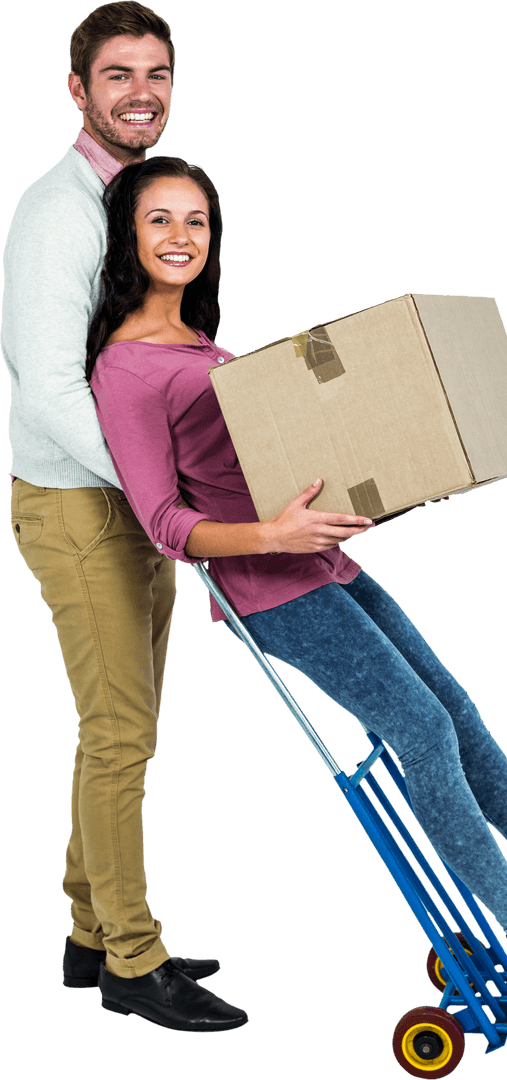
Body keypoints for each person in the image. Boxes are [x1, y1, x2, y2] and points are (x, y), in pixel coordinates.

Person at [86, 154, 507, 1024]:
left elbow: (270, 457)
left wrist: (389, 479)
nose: (181, 237)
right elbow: (163, 523)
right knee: (421, 729)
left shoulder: (202, 343)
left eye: (197, 221)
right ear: (127, 238)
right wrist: (275, 537)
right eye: (160, 220)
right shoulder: (126, 372)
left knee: (455, 712)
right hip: (271, 589)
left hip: (326, 564)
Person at [3, 3, 247, 1032]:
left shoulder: (142, 199)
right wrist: (164, 497)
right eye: (118, 74)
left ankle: (89, 931)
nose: (141, 90)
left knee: (115, 729)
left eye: (157, 72)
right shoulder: (57, 214)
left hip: (129, 507)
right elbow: (48, 384)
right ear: (78, 89)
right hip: (78, 505)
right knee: (121, 739)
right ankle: (134, 966)